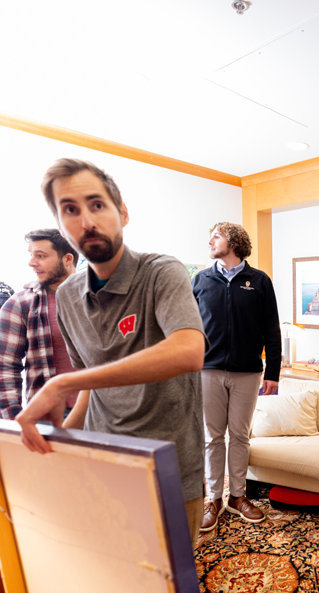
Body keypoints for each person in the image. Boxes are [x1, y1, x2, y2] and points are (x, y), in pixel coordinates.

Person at [15, 158, 208, 546]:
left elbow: (189, 350)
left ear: (122, 213)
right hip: (105, 462)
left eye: (97, 205)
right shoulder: (68, 296)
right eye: (70, 210)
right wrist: (62, 440)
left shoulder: (161, 272)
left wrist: (61, 383)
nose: (86, 220)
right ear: (62, 225)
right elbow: (92, 387)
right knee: (120, 577)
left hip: (170, 465)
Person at [192, 222, 282, 531]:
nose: (210, 240)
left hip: (248, 372)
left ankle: (238, 497)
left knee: (240, 437)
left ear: (233, 242)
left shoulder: (259, 281)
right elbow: (189, 328)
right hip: (208, 370)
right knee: (212, 438)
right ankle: (214, 499)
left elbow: (272, 330)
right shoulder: (201, 279)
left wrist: (273, 372)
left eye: (215, 235)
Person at [0, 229, 79, 419]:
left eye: (41, 256)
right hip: (49, 414)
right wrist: (14, 420)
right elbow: (5, 366)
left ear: (67, 259)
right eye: (31, 255)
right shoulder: (21, 304)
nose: (32, 262)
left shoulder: (97, 297)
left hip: (102, 413)